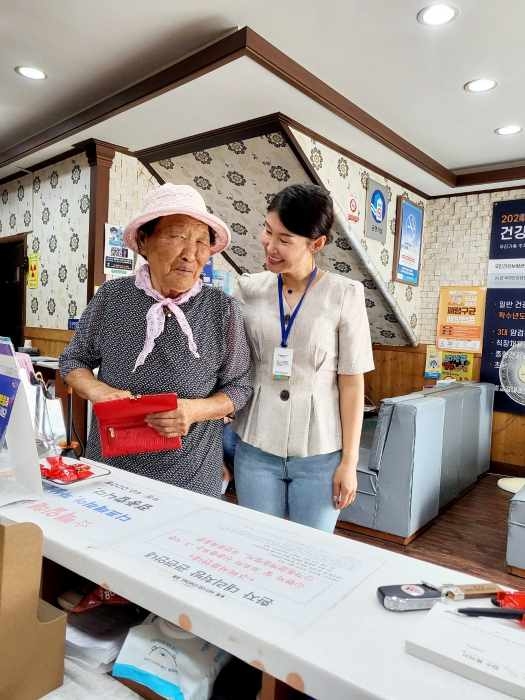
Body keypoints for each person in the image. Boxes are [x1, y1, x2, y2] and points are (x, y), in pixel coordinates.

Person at [59, 183, 252, 498]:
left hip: (190, 479)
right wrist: (99, 391)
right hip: (110, 472)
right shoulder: (112, 297)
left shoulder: (222, 309)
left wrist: (192, 411)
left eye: (202, 241)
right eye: (177, 236)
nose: (191, 253)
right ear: (144, 242)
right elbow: (73, 360)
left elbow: (240, 387)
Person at [231, 184, 374, 532]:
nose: (270, 244)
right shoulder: (247, 289)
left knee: (309, 556)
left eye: (285, 239)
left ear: (317, 244)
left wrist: (349, 463)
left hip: (321, 455)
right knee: (258, 547)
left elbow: (352, 382)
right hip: (254, 446)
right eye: (268, 230)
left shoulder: (344, 294)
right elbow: (231, 365)